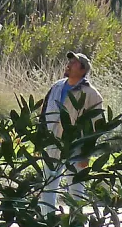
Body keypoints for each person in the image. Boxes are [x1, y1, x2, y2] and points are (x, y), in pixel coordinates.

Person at [40, 51, 104, 212]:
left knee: (76, 188)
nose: (69, 64)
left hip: (77, 144)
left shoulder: (91, 94)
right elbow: (44, 112)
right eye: (69, 61)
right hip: (53, 141)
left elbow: (96, 126)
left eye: (74, 63)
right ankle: (46, 221)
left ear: (83, 70)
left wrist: (87, 153)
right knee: (48, 185)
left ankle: (76, 224)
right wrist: (40, 139)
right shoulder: (56, 86)